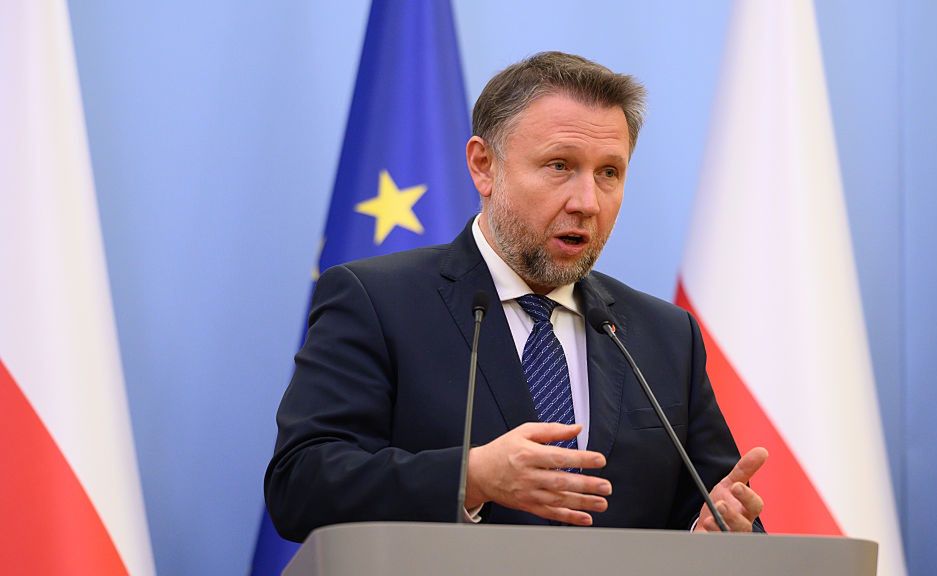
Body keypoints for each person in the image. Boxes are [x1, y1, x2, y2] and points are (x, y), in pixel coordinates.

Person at [266, 51, 766, 542]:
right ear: (484, 166)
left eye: (609, 173)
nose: (587, 202)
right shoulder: (377, 301)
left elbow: (714, 505)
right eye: (559, 166)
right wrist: (471, 476)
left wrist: (717, 527)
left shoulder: (664, 336)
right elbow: (301, 484)